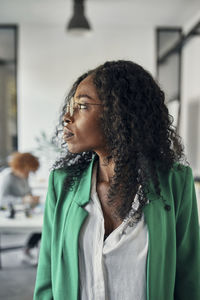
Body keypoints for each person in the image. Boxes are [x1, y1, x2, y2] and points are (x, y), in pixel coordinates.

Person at [34, 60, 200, 300]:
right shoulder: (62, 184)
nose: (67, 118)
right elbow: (47, 279)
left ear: (119, 113)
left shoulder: (175, 184)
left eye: (82, 106)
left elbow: (188, 279)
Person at [0, 152, 41, 265]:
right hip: (8, 214)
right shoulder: (7, 177)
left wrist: (33, 199)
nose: (28, 173)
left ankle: (26, 250)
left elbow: (28, 193)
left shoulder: (25, 177)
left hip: (24, 212)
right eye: (26, 170)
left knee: (43, 227)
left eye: (30, 171)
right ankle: (26, 251)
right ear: (18, 166)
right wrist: (23, 200)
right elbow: (2, 200)